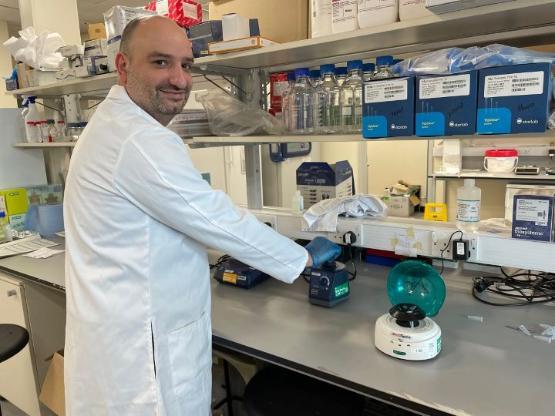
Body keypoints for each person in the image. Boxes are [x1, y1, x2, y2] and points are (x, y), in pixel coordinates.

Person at [64, 16, 339, 415]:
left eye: (186, 65)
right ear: (123, 67)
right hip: (143, 354)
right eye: (160, 62)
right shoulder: (139, 138)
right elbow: (215, 218)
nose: (179, 79)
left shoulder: (113, 125)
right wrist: (304, 257)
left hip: (121, 332)